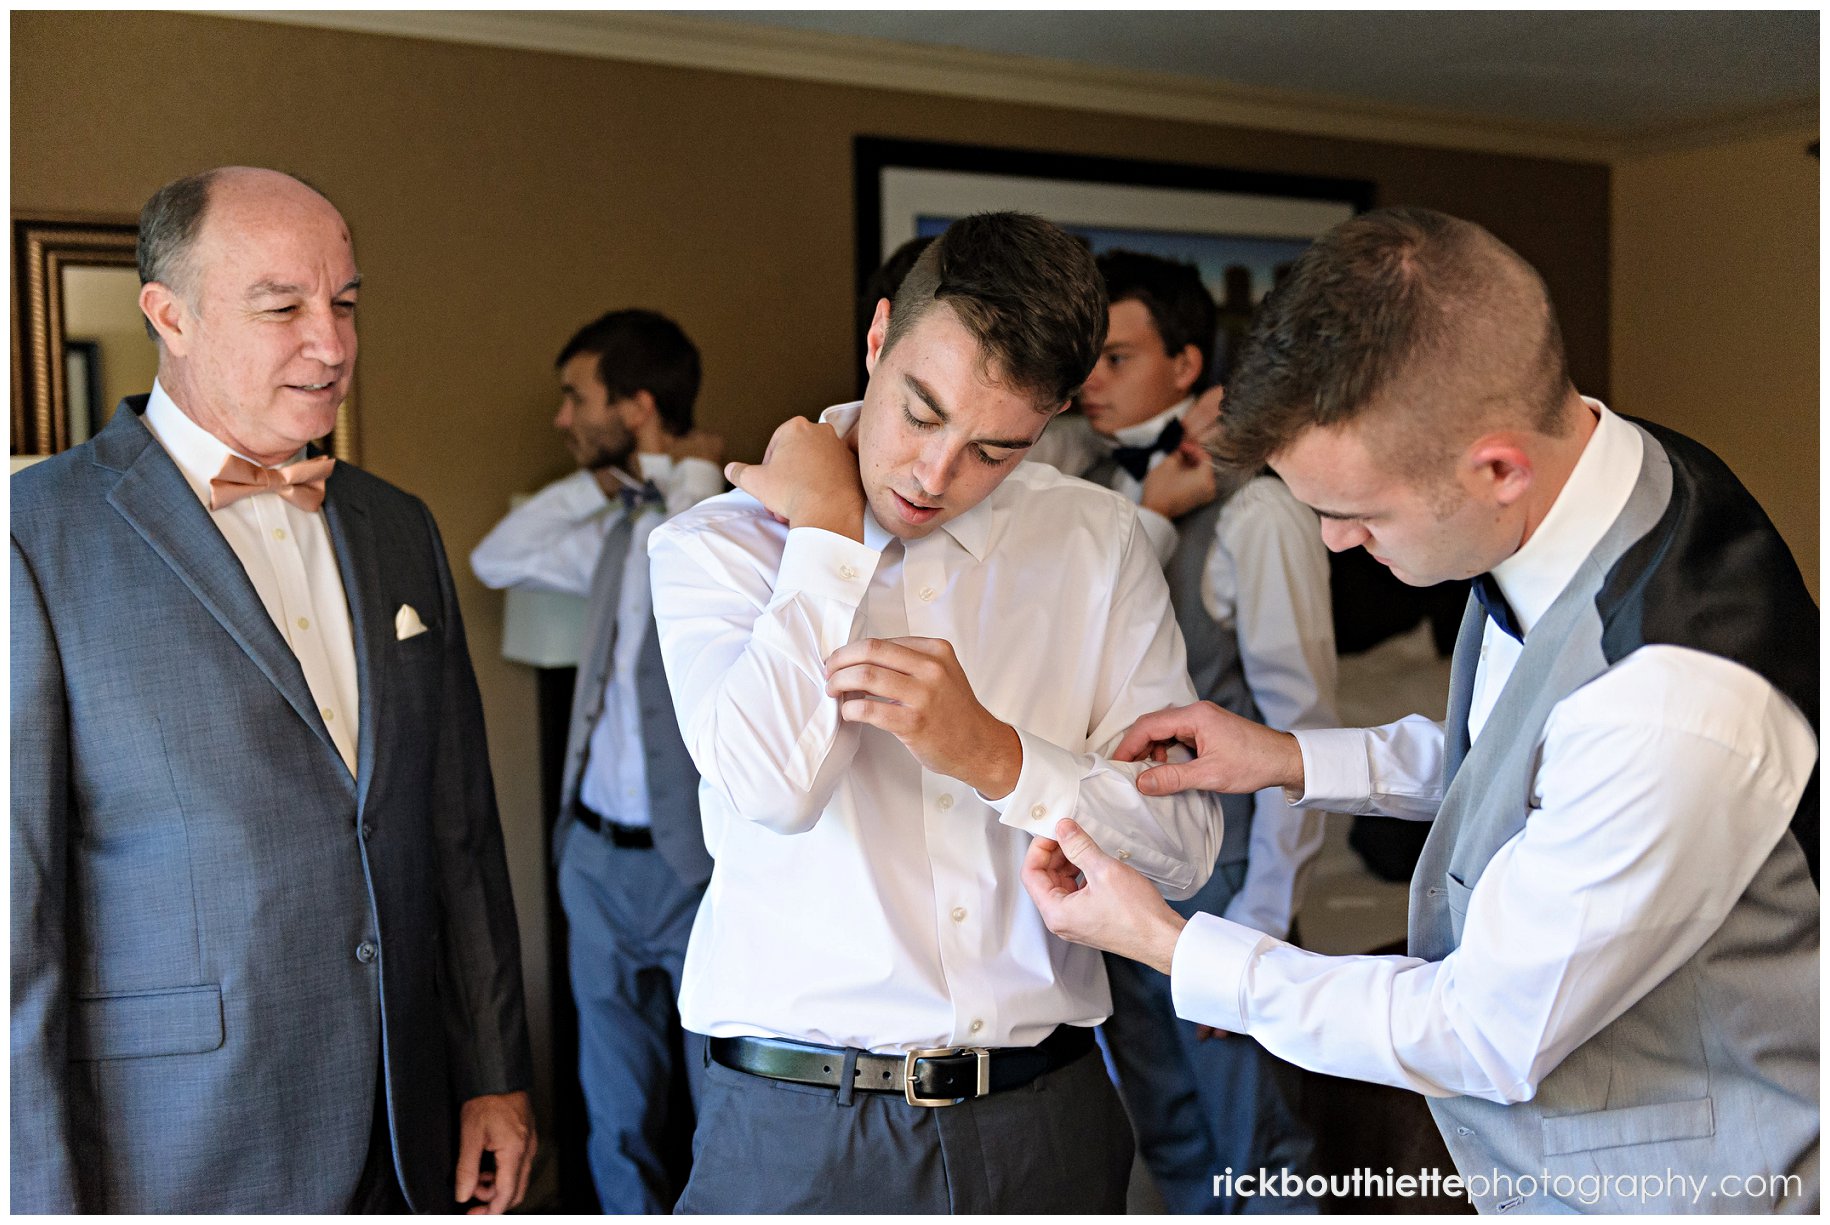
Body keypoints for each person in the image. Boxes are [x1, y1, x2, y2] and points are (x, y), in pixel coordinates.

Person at [1024, 206, 1819, 1214]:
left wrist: (1175, 945)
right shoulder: (1600, 468)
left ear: (1496, 468)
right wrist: (1292, 758)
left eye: (1359, 514)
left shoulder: (1673, 707)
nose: (1339, 544)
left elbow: (1483, 1030)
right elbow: (1527, 751)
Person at [646, 211, 1227, 1214]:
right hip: (799, 1134)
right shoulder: (721, 548)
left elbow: (1183, 843)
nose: (934, 476)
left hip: (1047, 1118)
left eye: (994, 449)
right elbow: (774, 790)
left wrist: (1002, 759)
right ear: (878, 339)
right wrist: (828, 543)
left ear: (1047, 425)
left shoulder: (1098, 544)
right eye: (921, 414)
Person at [11, 167, 535, 1214]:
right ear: (170, 315)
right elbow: (14, 913)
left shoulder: (398, 525)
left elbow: (458, 830)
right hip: (176, 1140)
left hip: (409, 1125)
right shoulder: (36, 533)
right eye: (282, 306)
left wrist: (491, 1070)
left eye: (344, 303)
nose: (332, 343)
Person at [1028, 250, 1335, 1213]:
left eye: (1117, 358)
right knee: (1162, 1137)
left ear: (1188, 365)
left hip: (1231, 881)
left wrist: (1263, 922)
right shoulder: (1070, 476)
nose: (1090, 383)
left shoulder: (1264, 513)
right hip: (1114, 868)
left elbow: (1303, 725)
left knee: (1260, 1149)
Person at [470, 308, 723, 1211]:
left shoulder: (733, 520)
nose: (562, 417)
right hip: (593, 858)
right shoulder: (615, 526)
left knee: (719, 1100)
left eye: (578, 397)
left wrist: (682, 477)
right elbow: (498, 557)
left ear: (637, 402)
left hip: (699, 865)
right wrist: (608, 481)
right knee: (610, 1108)